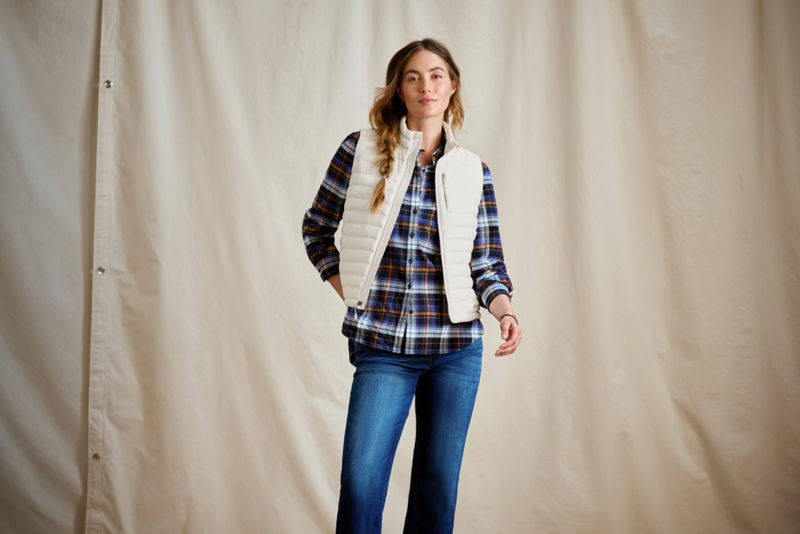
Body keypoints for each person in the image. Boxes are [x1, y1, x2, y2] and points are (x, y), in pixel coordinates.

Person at [302, 38, 521, 534]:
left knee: (437, 488)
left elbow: (487, 263)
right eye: (414, 76)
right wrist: (350, 288)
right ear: (400, 89)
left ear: (453, 86)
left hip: (456, 349)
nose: (427, 86)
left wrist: (505, 312)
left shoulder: (473, 172)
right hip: (383, 346)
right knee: (361, 480)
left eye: (437, 75)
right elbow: (316, 228)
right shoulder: (358, 152)